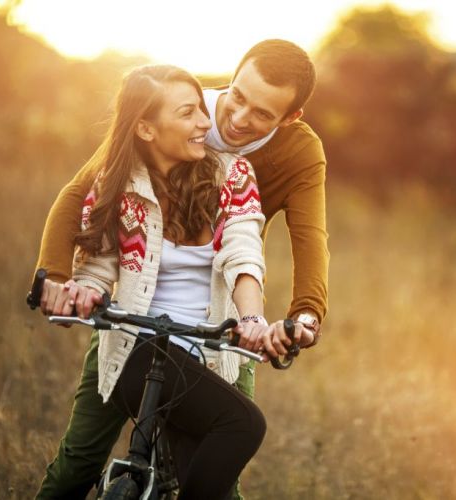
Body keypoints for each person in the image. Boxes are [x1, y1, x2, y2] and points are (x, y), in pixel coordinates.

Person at [35, 40, 328, 498]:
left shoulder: (254, 168)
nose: (232, 120)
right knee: (79, 461)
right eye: (236, 95)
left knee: (217, 474)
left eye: (262, 114)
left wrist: (299, 314)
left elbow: (281, 243)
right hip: (135, 319)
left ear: (289, 118)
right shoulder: (167, 110)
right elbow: (90, 202)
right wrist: (60, 279)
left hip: (218, 319)